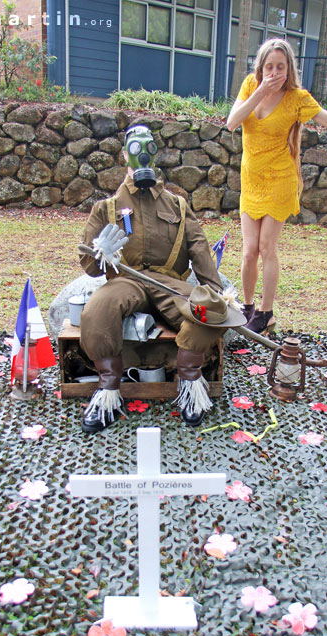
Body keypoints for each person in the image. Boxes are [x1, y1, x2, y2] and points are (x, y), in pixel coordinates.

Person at [78, 124, 246, 434]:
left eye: (148, 146)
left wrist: (216, 296)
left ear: (155, 152)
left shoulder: (178, 206)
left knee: (205, 313)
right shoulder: (106, 209)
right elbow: (89, 267)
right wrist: (100, 252)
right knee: (97, 309)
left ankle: (191, 387)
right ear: (125, 155)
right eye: (134, 147)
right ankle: (107, 392)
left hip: (170, 283)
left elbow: (200, 250)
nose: (142, 154)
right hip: (124, 281)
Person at [226, 38, 327, 335]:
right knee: (249, 251)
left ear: (289, 69)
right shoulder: (251, 85)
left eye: (280, 67)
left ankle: (265, 312)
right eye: (268, 66)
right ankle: (248, 308)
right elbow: (232, 122)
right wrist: (261, 89)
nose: (274, 72)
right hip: (252, 180)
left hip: (280, 181)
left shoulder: (297, 98)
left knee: (266, 248)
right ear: (261, 68)